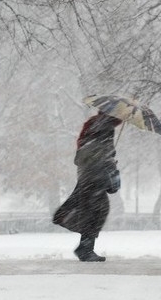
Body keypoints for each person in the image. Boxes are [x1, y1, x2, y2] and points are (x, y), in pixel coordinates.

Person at [53, 111, 122, 262]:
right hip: (94, 177)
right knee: (95, 213)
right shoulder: (105, 127)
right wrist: (108, 159)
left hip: (88, 176)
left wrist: (108, 158)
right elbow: (98, 152)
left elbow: (84, 153)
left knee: (93, 212)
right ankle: (85, 249)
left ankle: (85, 248)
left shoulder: (95, 125)